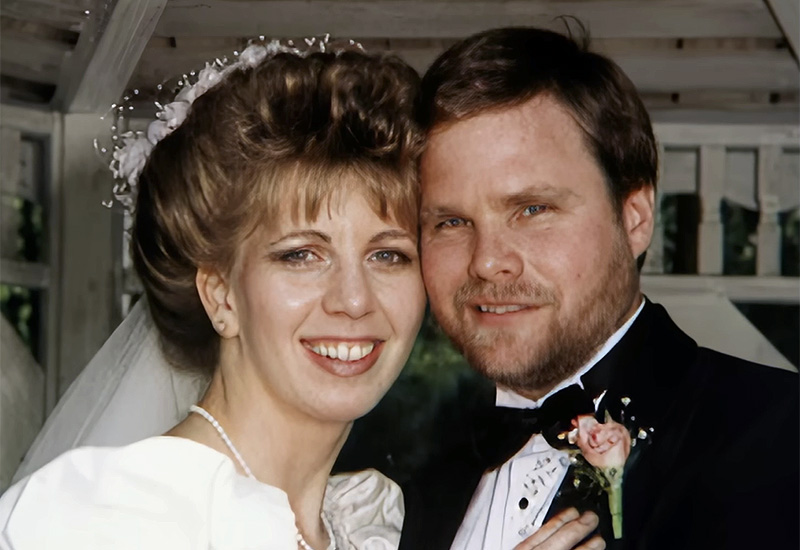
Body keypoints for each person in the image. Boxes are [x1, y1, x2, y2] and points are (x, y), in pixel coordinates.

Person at [1, 42, 429, 550]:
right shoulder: (113, 520)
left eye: (389, 256)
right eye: (300, 255)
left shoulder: (364, 524)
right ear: (221, 295)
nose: (354, 300)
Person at [399, 27, 799, 550]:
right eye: (450, 222)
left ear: (635, 218)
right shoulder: (400, 482)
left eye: (532, 209)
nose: (489, 260)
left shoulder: (784, 439)